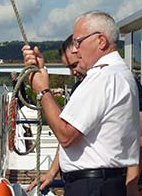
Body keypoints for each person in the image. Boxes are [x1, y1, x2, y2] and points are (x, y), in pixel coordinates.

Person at [22, 10, 139, 196]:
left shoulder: (103, 78)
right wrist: (41, 70)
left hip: (92, 186)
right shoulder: (117, 74)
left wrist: (43, 91)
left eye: (78, 42)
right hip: (102, 183)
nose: (75, 49)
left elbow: (66, 135)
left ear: (101, 41)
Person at [26, 34, 86, 192]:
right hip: (76, 180)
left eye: (74, 65)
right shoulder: (80, 88)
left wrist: (43, 91)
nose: (72, 72)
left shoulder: (103, 84)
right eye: (69, 67)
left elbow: (138, 141)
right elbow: (67, 129)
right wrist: (52, 173)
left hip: (91, 182)